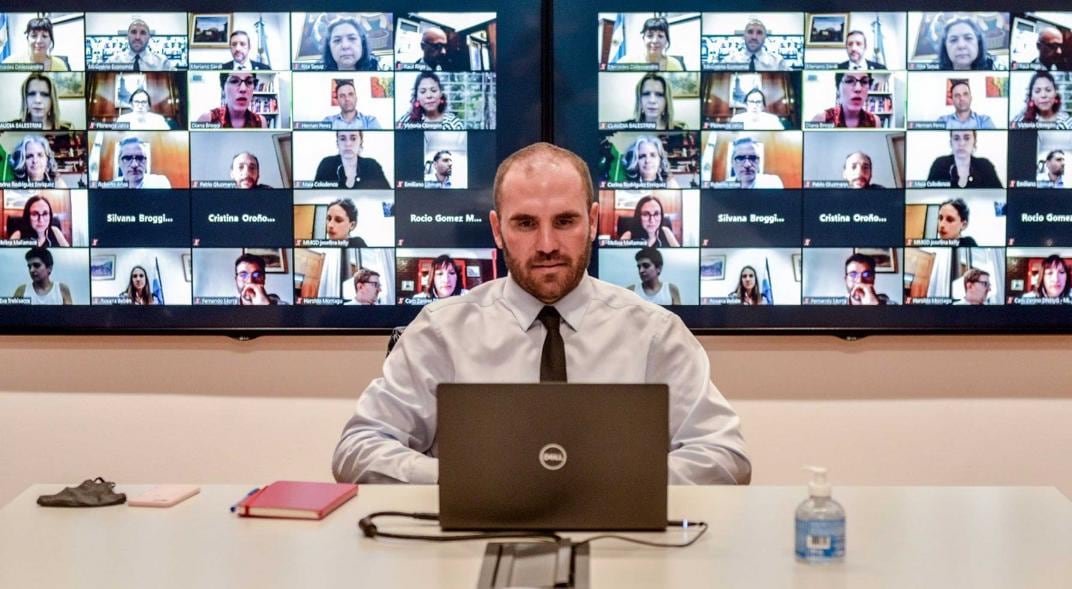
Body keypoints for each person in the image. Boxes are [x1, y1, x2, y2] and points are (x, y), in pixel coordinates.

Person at [332, 142, 750, 484]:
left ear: (592, 221)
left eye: (565, 221)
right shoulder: (442, 331)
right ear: (497, 230)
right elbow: (358, 447)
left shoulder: (655, 333)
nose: (547, 244)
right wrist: (462, 482)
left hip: (623, 554)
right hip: (469, 554)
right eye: (526, 223)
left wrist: (619, 484)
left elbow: (724, 454)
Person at [926, 130, 1003, 188]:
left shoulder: (985, 165)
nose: (961, 143)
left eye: (967, 138)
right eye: (956, 138)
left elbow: (999, 195)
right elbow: (929, 194)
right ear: (951, 143)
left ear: (974, 142)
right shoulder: (939, 164)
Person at [313, 130, 390, 189]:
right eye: (343, 139)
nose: (348, 144)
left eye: (353, 138)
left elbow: (387, 195)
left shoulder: (372, 165)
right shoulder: (327, 164)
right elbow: (315, 195)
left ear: (361, 142)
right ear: (337, 143)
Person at [196, 72, 268, 128]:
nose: (243, 89)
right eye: (234, 81)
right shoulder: (207, 119)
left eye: (249, 82)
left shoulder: (261, 122)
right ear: (223, 88)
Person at [396, 71, 464, 129]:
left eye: (433, 90)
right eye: (423, 92)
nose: (429, 96)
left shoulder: (452, 123)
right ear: (417, 96)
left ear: (441, 93)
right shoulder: (406, 120)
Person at [811, 72, 879, 127]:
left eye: (864, 82)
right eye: (849, 81)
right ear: (838, 89)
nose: (858, 88)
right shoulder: (821, 119)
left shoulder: (875, 122)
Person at [106, 19, 177, 71]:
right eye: (133, 32)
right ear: (127, 36)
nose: (137, 37)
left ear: (149, 37)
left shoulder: (162, 63)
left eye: (143, 33)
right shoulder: (112, 62)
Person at [1, 17, 69, 71]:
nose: (39, 41)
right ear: (27, 39)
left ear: (50, 40)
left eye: (44, 36)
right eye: (34, 36)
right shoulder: (11, 63)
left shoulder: (60, 65)